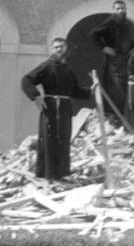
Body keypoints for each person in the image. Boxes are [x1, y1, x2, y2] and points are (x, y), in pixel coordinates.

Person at [21, 37, 93, 181]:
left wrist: (91, 91)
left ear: (66, 48)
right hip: (50, 107)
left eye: (61, 47)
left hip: (65, 108)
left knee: (64, 139)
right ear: (52, 49)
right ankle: (47, 174)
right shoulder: (47, 66)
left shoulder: (68, 70)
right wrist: (36, 97)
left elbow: (75, 91)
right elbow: (26, 80)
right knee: (49, 139)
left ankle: (61, 174)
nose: (59, 49)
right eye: (56, 47)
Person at [90, 0, 134, 125]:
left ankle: (123, 115)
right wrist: (104, 47)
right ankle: (115, 116)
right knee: (116, 88)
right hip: (114, 62)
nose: (121, 11)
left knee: (124, 86)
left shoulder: (125, 24)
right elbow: (93, 34)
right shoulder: (111, 22)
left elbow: (126, 41)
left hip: (124, 60)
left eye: (123, 8)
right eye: (118, 9)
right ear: (113, 10)